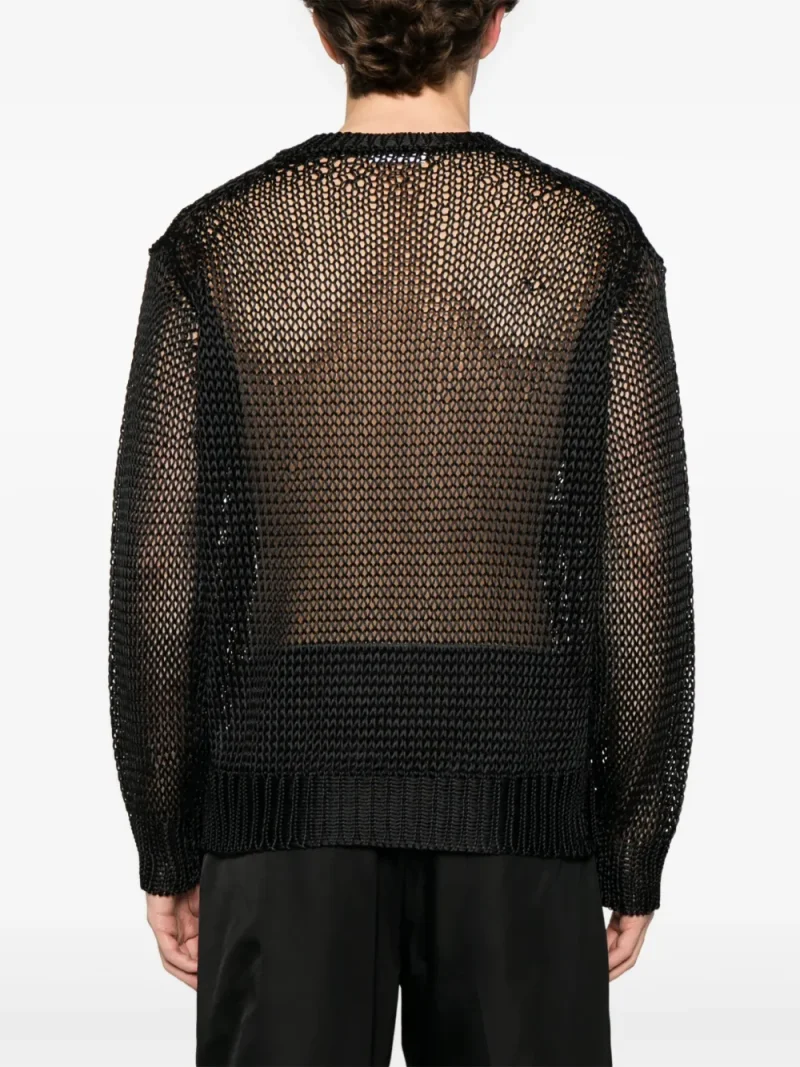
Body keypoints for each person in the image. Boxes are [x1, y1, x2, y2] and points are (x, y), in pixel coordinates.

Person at [108, 2, 695, 1064]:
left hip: (282, 790)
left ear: (324, 29)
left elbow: (160, 568)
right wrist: (631, 842)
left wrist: (167, 837)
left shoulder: (216, 243)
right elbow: (639, 561)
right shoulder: (590, 243)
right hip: (518, 786)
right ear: (495, 27)